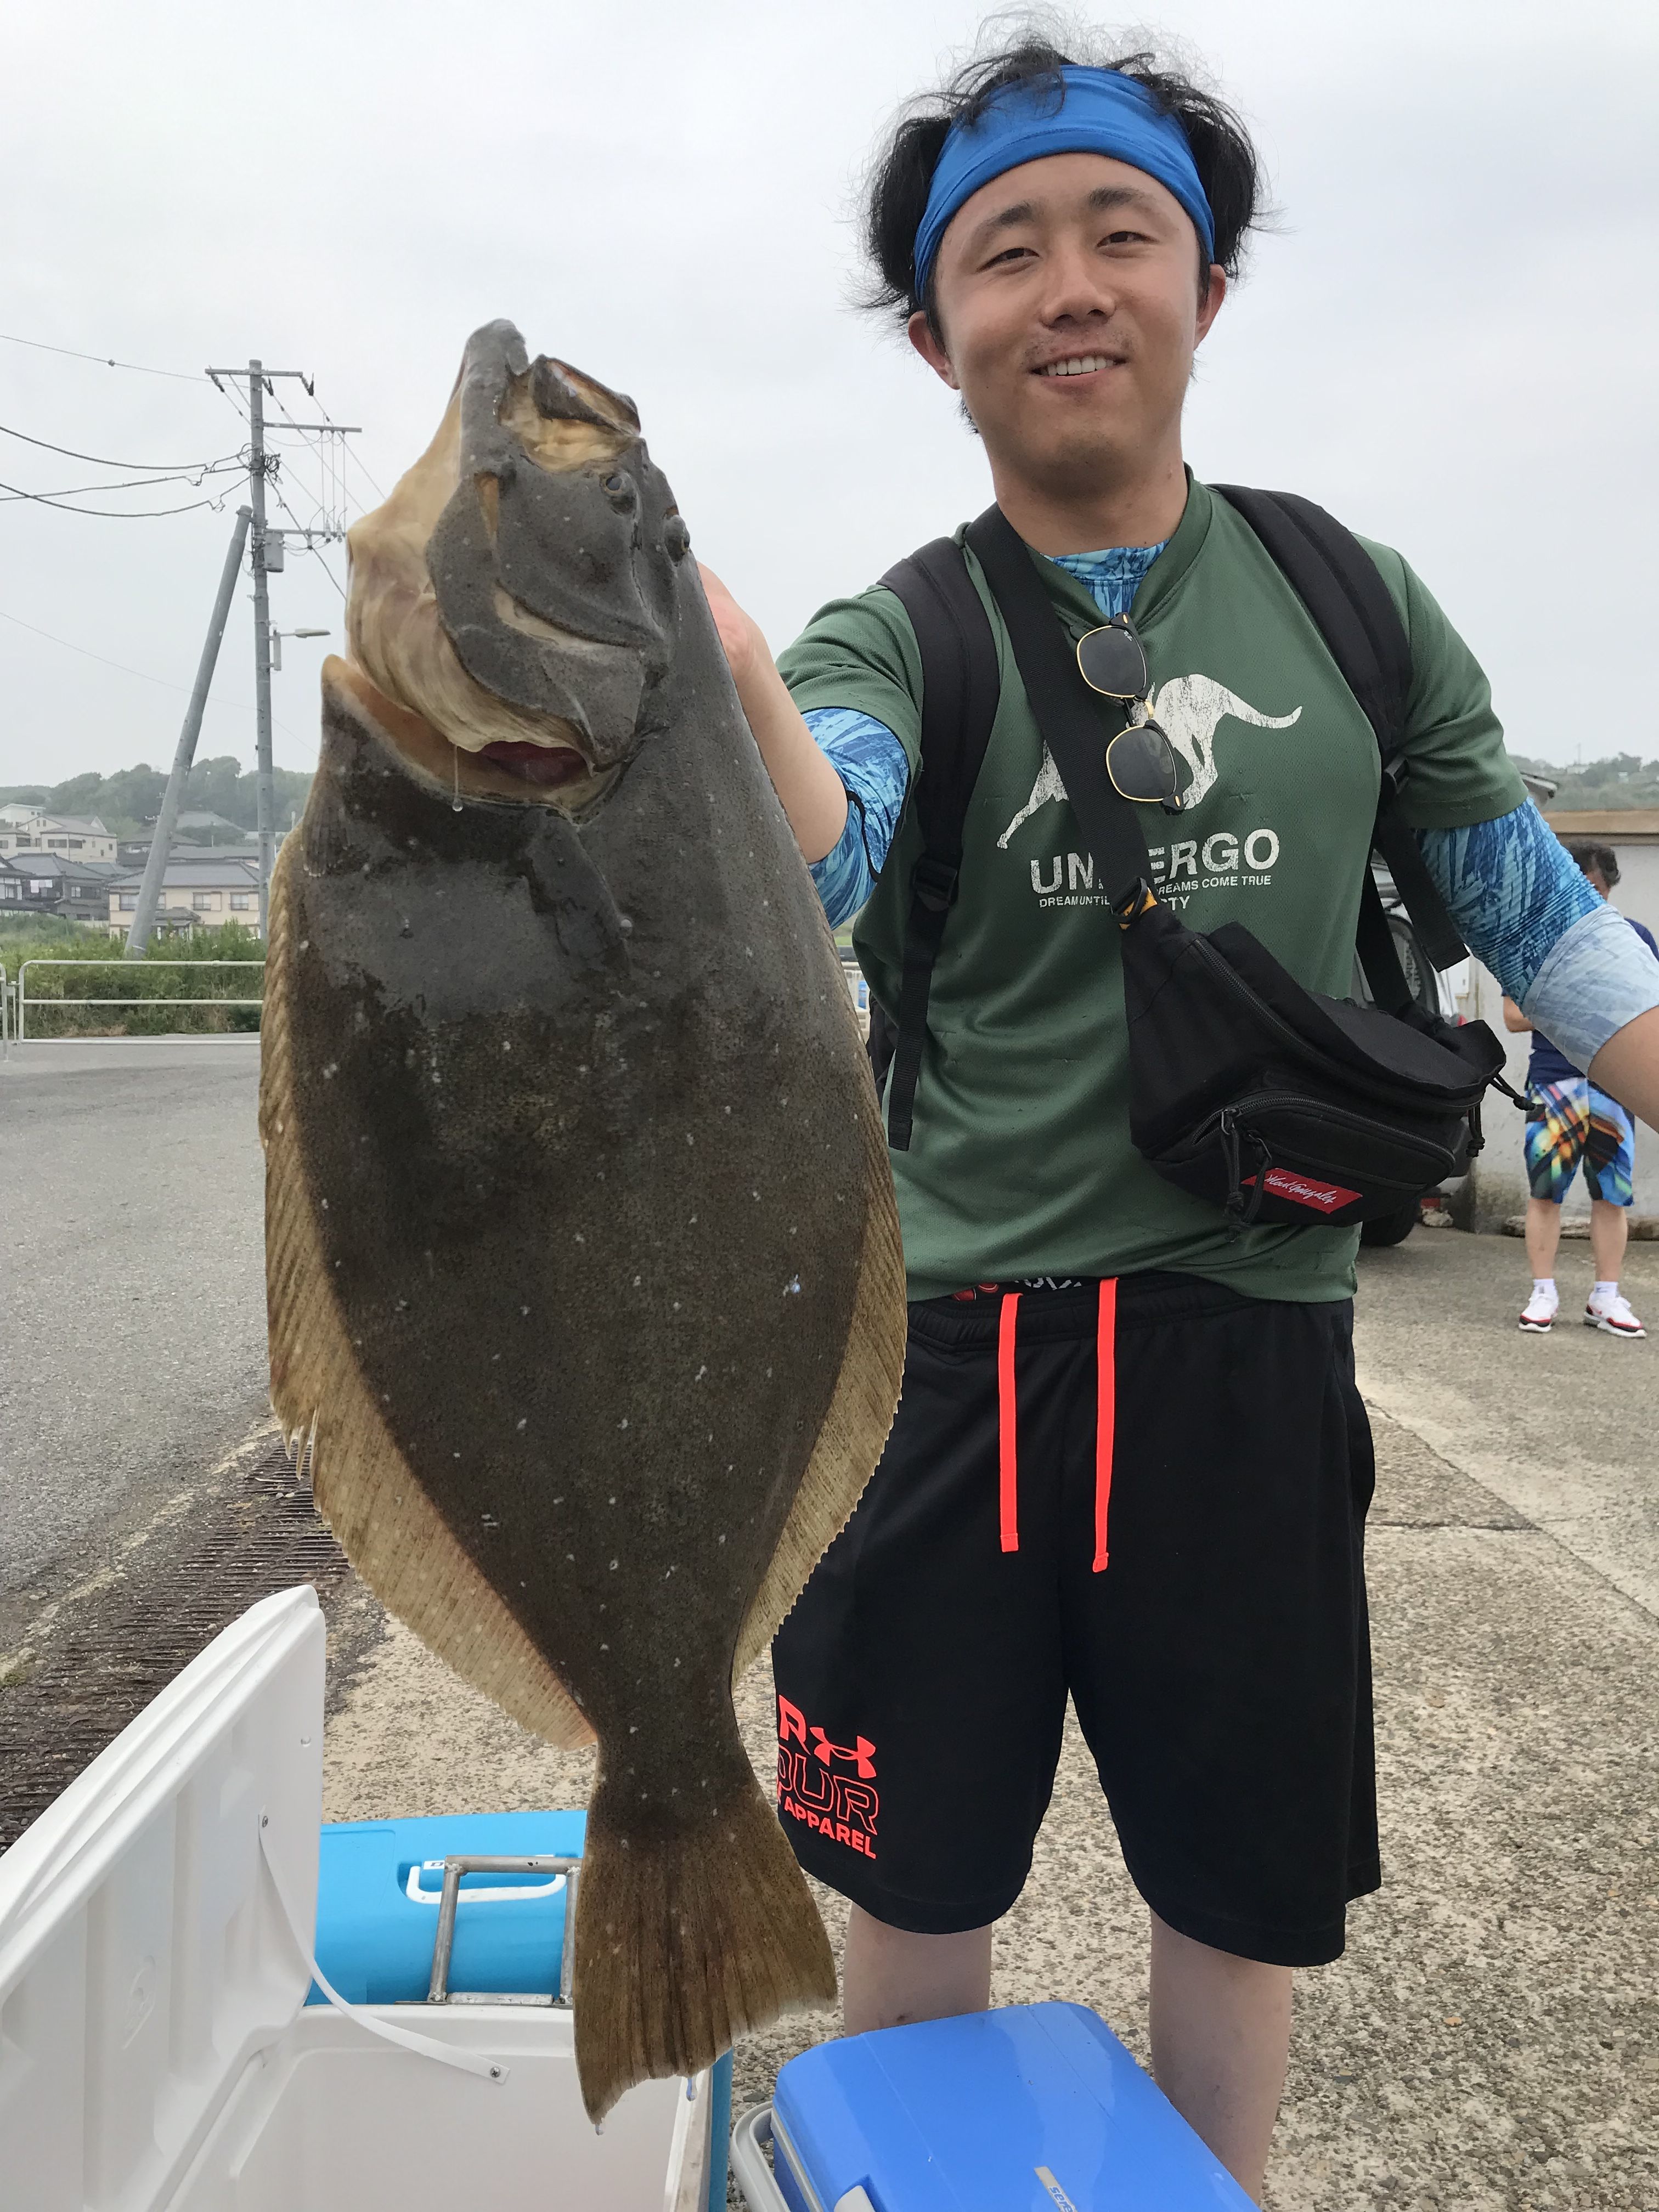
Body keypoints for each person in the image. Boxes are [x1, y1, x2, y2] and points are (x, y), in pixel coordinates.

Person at [701, 31, 1659, 2201]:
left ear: (1205, 287)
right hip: (942, 1371)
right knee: (916, 1880)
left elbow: (1537, 922)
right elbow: (812, 862)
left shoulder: (1350, 603)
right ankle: (900, 2177)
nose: (1069, 285)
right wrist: (733, 670)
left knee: (1240, 1896)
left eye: (1120, 232)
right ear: (935, 337)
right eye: (1003, 252)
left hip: (1249, 1358)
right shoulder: (896, 632)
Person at [1505, 841, 1657, 1338]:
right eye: (1579, 887)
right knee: (1545, 1192)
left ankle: (1606, 1296)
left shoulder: (1634, 938)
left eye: (1596, 889)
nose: (1588, 897)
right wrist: (1592, 1006)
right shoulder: (1534, 938)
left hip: (1615, 1086)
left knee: (1612, 1195)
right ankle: (1542, 1292)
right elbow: (1512, 1016)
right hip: (1553, 1082)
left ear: (1609, 888)